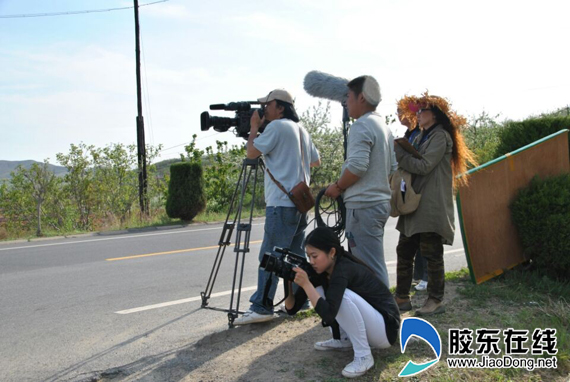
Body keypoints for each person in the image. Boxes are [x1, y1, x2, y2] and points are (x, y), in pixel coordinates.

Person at [234, 89, 321, 325]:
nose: (263, 110)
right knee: (293, 256)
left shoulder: (277, 127)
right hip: (299, 203)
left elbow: (252, 152)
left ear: (280, 107)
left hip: (280, 205)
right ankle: (301, 301)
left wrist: (254, 128)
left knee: (270, 255)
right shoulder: (301, 130)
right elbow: (316, 160)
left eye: (267, 105)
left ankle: (262, 306)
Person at [394, 92, 477, 315]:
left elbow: (424, 166)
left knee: (431, 252)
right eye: (418, 111)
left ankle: (435, 300)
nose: (418, 115)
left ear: (435, 115)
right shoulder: (422, 135)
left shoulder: (440, 137)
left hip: (430, 204)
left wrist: (400, 155)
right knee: (404, 250)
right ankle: (401, 297)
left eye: (422, 111)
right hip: (415, 201)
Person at [285, 226, 400, 379]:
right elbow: (291, 309)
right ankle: (343, 339)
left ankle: (364, 356)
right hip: (373, 325)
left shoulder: (343, 269)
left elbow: (328, 315)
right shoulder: (322, 270)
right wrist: (288, 281)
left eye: (314, 256)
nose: (311, 262)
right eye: (308, 256)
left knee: (343, 297)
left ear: (332, 252)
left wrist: (306, 285)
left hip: (386, 330)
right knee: (317, 288)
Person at [324, 75, 397, 288]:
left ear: (361, 98)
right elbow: (392, 167)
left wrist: (338, 187)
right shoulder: (383, 126)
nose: (346, 102)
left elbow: (357, 167)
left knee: (368, 267)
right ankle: (382, 313)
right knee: (373, 263)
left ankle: (384, 315)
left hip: (364, 207)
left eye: (348, 97)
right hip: (378, 203)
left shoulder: (361, 126)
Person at [396, 100, 428, 292]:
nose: (399, 115)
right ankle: (417, 276)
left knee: (422, 236)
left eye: (401, 111)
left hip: (419, 189)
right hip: (407, 186)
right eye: (397, 111)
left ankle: (426, 277)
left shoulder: (422, 135)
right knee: (410, 237)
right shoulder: (409, 134)